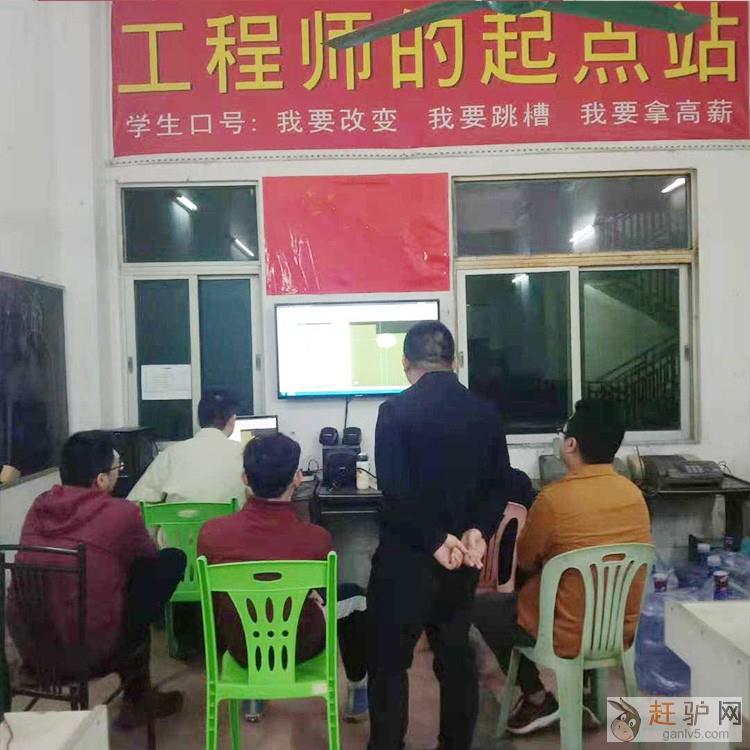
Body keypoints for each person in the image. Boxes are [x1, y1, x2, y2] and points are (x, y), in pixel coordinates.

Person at [368, 320, 511, 750]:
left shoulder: (394, 412)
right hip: (462, 560)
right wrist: (478, 531)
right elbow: (500, 485)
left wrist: (433, 540)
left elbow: (394, 490)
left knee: (390, 663)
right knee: (455, 657)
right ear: (454, 361)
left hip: (405, 560)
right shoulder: (485, 412)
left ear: (405, 363)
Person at [472, 399, 652, 736]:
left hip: (564, 632)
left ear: (571, 445)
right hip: (618, 629)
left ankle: (538, 697)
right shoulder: (634, 496)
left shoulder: (554, 499)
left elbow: (524, 559)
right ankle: (581, 695)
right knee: (581, 592)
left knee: (483, 609)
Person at [8, 431, 186, 728]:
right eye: (118, 469)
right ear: (101, 480)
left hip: (33, 651)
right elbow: (150, 558)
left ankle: (138, 696)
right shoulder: (121, 513)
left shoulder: (39, 506)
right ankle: (138, 699)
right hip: (89, 654)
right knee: (169, 562)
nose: (119, 474)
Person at [198, 433, 369, 723]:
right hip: (300, 647)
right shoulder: (317, 539)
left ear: (245, 479)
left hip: (242, 650)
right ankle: (358, 692)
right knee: (355, 596)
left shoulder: (211, 534)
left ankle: (254, 693)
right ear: (298, 478)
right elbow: (317, 594)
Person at [128, 390, 245, 505]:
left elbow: (136, 502)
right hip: (230, 518)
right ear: (232, 420)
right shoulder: (243, 454)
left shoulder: (171, 454)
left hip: (178, 518)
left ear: (199, 420)